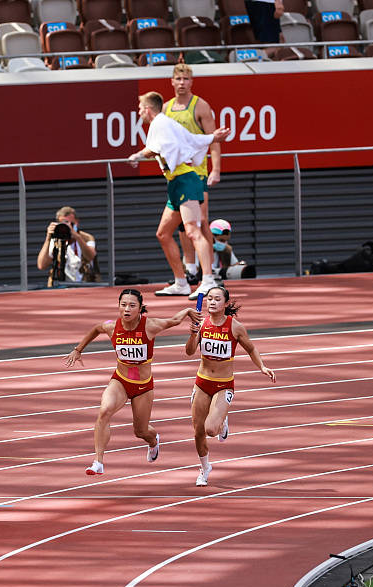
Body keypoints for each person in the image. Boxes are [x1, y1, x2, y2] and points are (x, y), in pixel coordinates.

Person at [64, 289, 200, 476]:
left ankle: (154, 441)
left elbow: (173, 321)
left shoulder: (150, 326)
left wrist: (186, 311)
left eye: (132, 306)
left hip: (143, 387)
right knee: (104, 411)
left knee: (141, 431)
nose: (127, 309)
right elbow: (96, 328)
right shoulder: (112, 327)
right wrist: (78, 349)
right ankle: (98, 462)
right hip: (120, 380)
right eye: (123, 305)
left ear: (139, 308)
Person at [128, 92, 229, 301]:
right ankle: (181, 283)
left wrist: (138, 155)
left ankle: (208, 281)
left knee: (193, 231)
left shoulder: (160, 124)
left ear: (148, 109)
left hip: (185, 180)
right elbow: (192, 139)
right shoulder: (166, 124)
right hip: (175, 182)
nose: (139, 112)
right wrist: (213, 137)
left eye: (140, 108)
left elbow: (155, 148)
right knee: (163, 234)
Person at [184, 286, 275, 486]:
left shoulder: (235, 327)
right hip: (202, 383)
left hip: (223, 385)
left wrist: (262, 366)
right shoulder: (201, 324)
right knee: (198, 432)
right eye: (209, 299)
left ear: (225, 303)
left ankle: (222, 418)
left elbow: (251, 348)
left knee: (210, 430)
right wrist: (192, 334)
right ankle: (205, 467)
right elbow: (189, 352)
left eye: (217, 299)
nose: (212, 302)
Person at [161, 64, 221, 293]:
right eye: (178, 78)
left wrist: (215, 169)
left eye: (186, 79)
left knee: (201, 221)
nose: (182, 83)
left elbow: (213, 139)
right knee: (184, 226)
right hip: (176, 173)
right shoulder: (166, 108)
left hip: (197, 172)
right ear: (172, 81)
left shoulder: (200, 106)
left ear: (191, 82)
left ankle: (210, 271)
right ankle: (191, 268)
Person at [36, 206, 98, 285]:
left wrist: (76, 235)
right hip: (61, 286)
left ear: (77, 222)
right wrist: (48, 238)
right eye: (63, 224)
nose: (67, 226)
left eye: (71, 223)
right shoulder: (56, 240)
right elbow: (42, 265)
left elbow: (90, 256)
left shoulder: (87, 238)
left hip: (84, 284)